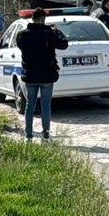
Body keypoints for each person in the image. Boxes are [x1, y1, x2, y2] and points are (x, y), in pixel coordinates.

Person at [16, 8, 69, 141]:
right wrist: (56, 31)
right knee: (46, 106)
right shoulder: (48, 34)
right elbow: (63, 44)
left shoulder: (22, 35)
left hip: (30, 75)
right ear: (42, 19)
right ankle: (45, 133)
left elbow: (21, 47)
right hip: (46, 75)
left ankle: (28, 135)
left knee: (29, 105)